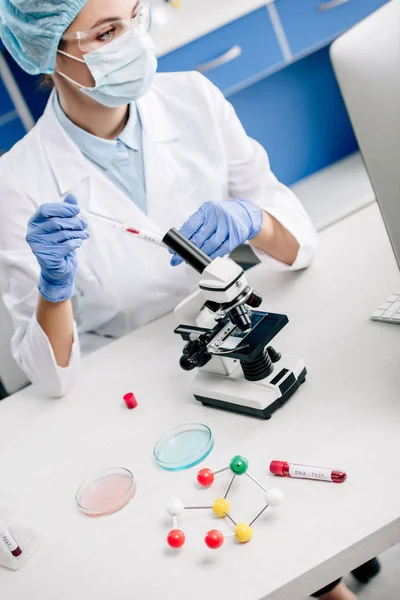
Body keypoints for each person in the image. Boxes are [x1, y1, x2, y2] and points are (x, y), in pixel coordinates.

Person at [0, 1, 378, 597]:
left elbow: (300, 240)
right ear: (49, 54)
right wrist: (53, 288)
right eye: (104, 32)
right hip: (131, 392)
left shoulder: (193, 98)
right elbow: (48, 376)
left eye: (131, 16)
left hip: (233, 326)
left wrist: (252, 217)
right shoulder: (17, 183)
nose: (131, 40)